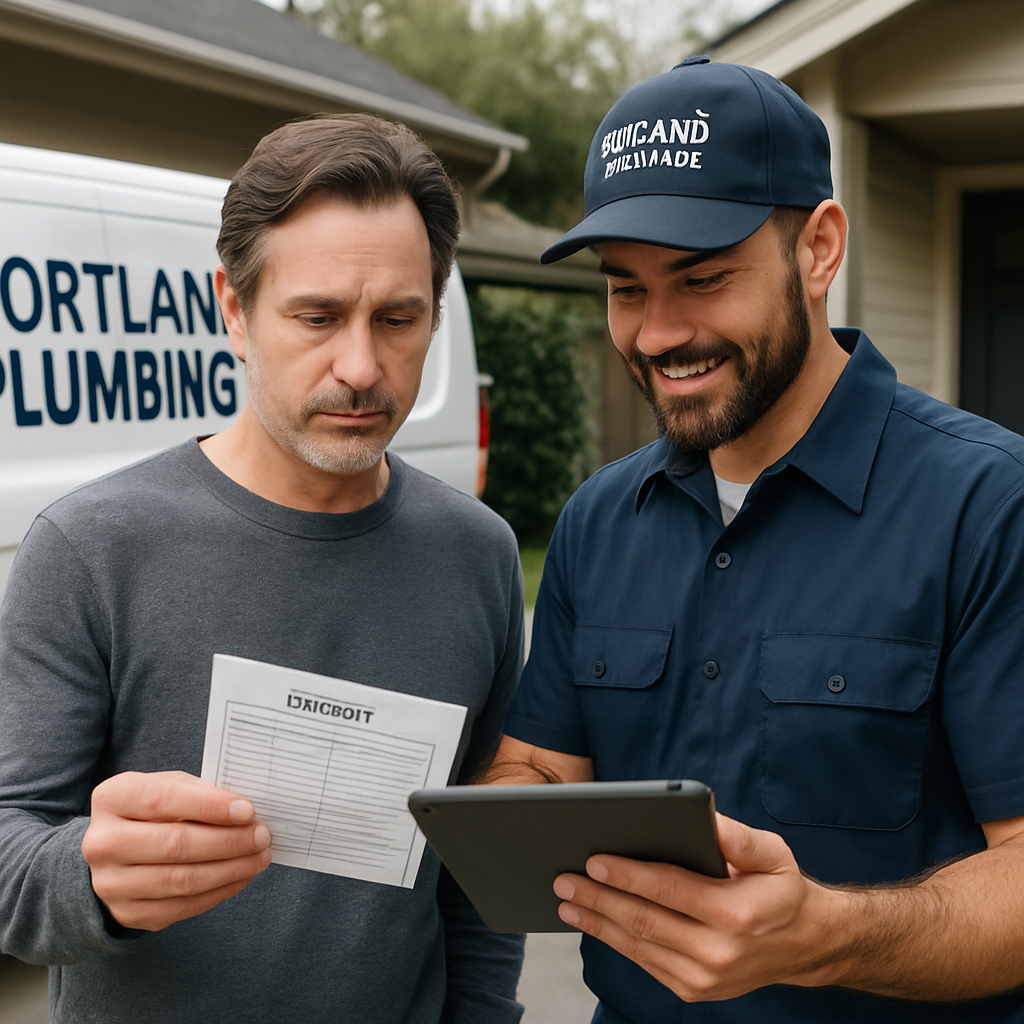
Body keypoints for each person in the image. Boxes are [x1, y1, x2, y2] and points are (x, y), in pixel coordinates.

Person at [482, 55, 1024, 1023]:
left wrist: (827, 932)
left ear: (818, 249)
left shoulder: (987, 506)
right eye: (624, 289)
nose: (655, 334)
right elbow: (541, 770)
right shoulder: (597, 521)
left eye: (700, 278)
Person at [0, 113, 525, 1023]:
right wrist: (94, 878)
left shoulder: (477, 555)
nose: (361, 367)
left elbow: (480, 869)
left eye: (398, 319)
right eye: (317, 317)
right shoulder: (90, 548)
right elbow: (10, 862)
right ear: (233, 311)